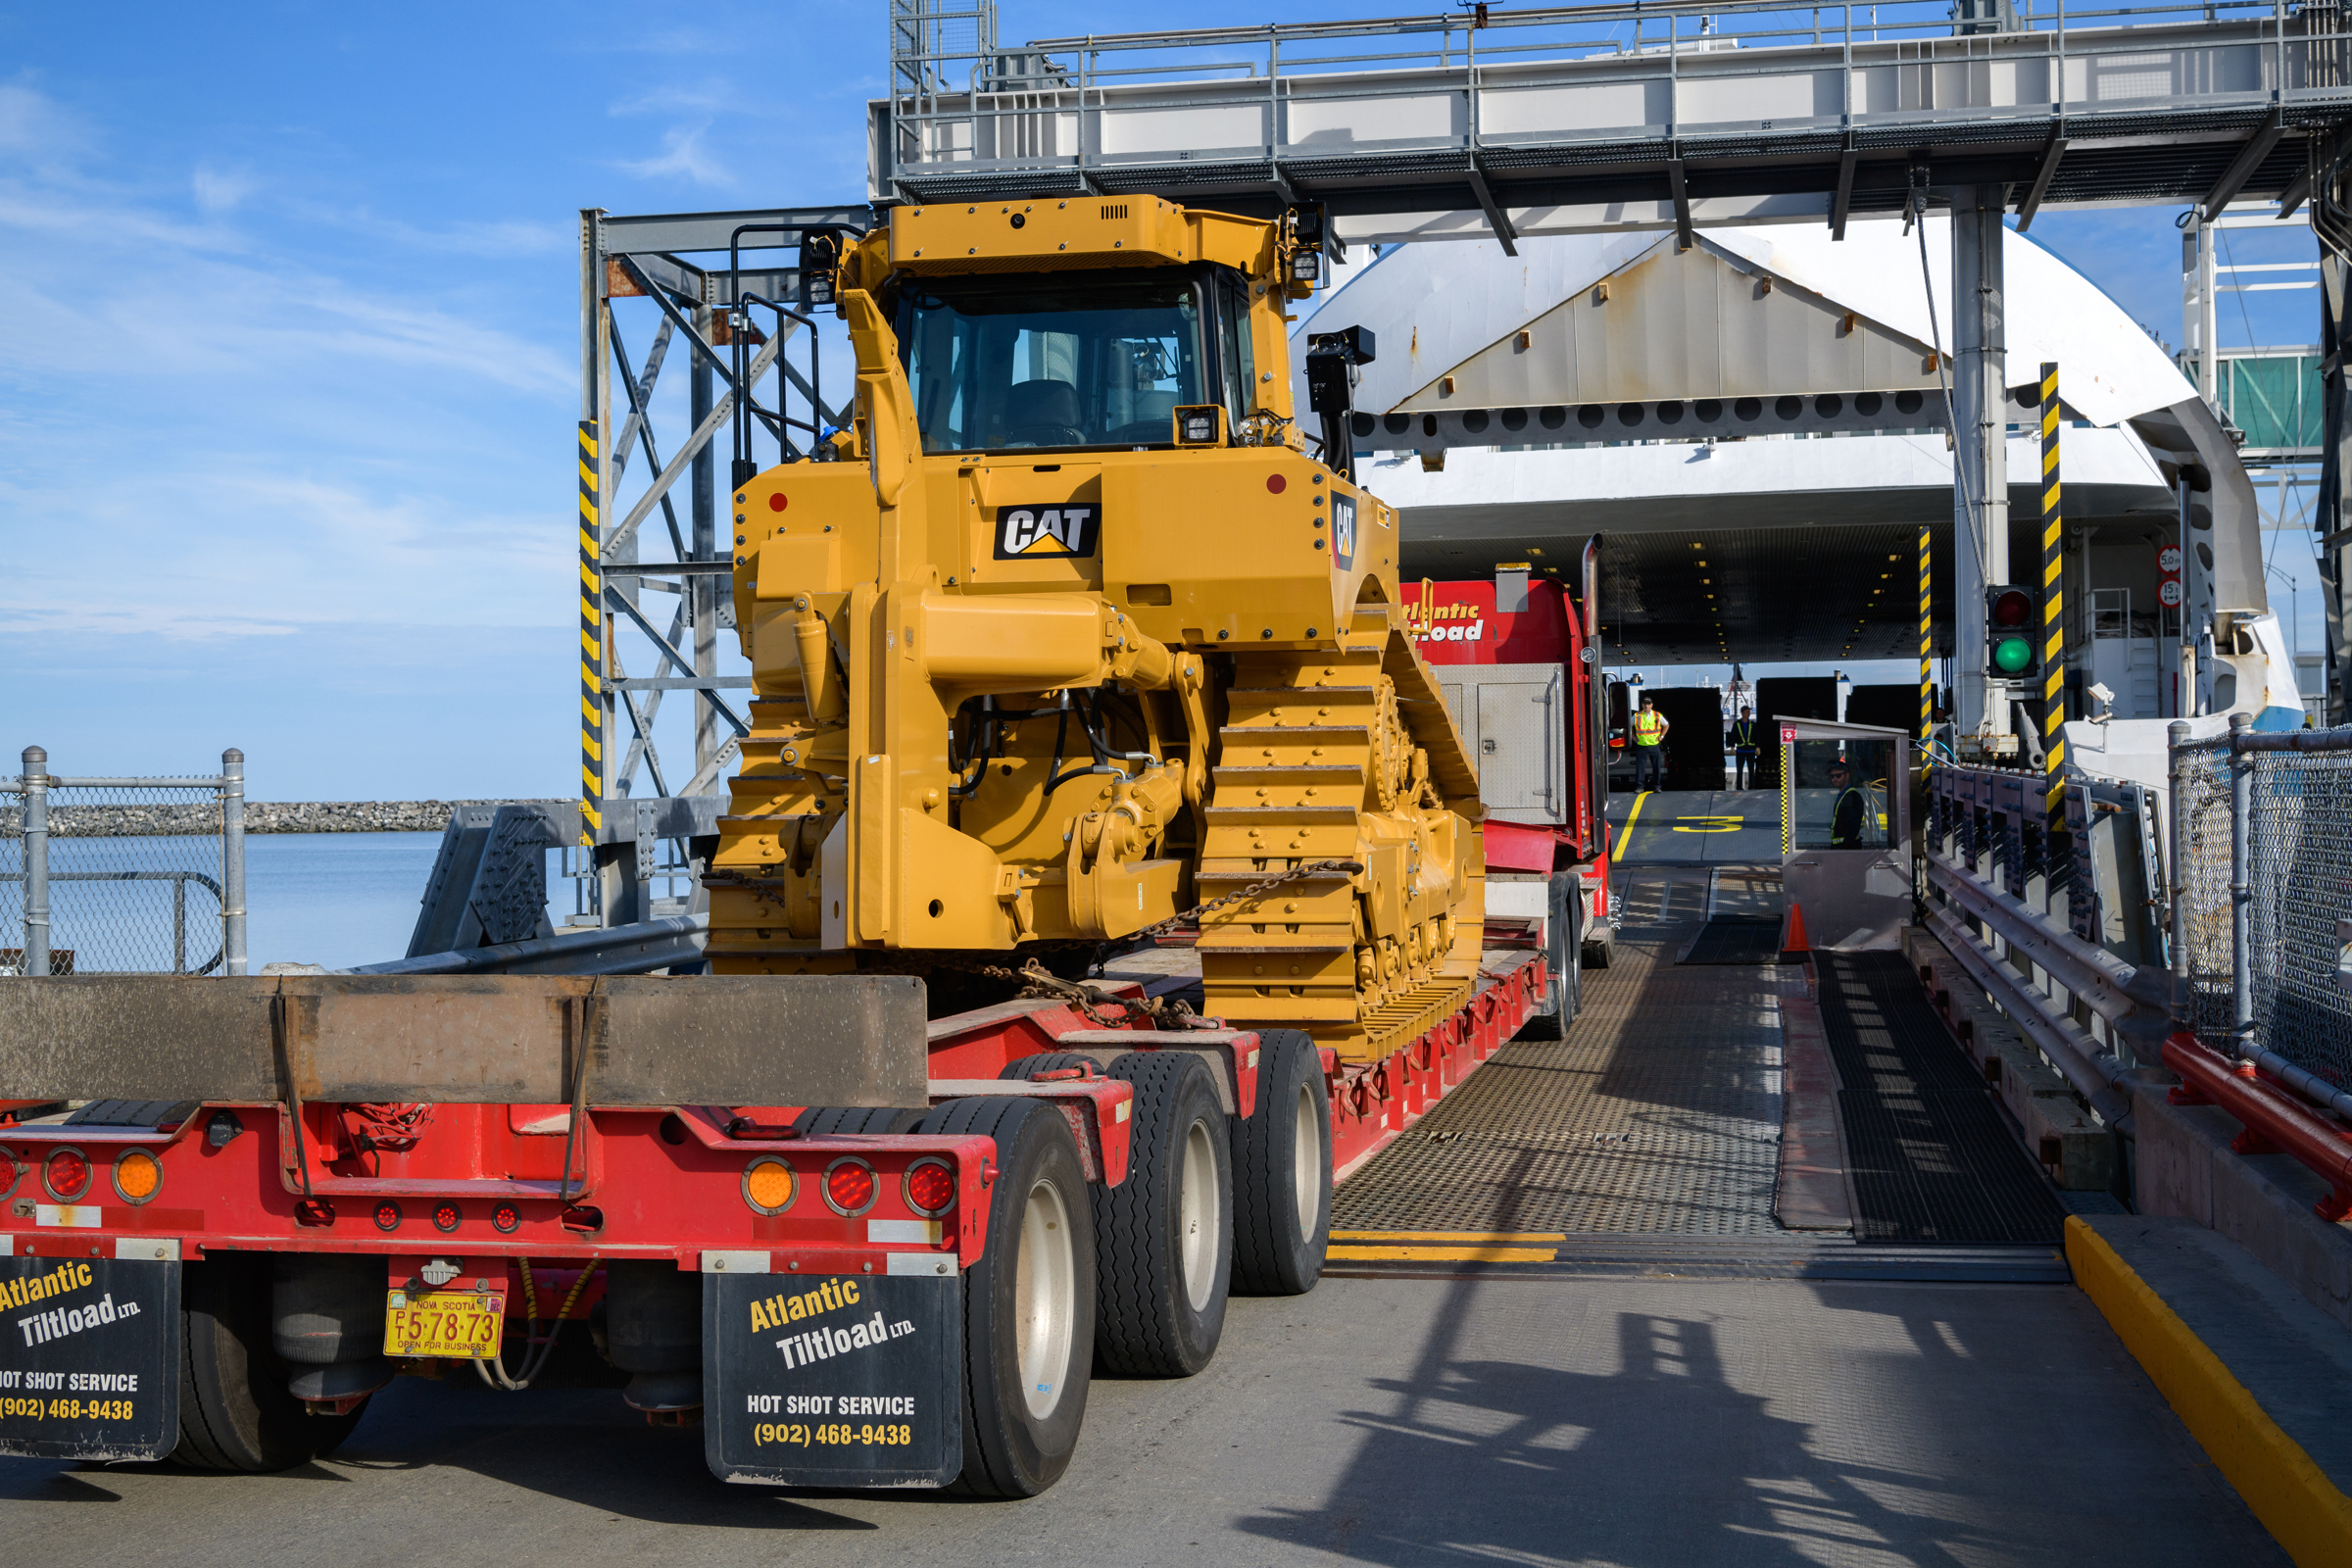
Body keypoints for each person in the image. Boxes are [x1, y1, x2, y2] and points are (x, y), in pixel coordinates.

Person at [1827, 760, 1870, 849]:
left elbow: (1853, 826)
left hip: (1847, 847)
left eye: (1838, 776)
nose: (1834, 779)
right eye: (1832, 776)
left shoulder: (1852, 796)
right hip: (1841, 846)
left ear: (1847, 775)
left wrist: (1845, 848)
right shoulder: (1842, 796)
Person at [1631, 696, 1669, 794]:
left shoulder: (1657, 715)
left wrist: (1662, 736)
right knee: (1640, 767)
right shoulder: (1637, 716)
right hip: (1642, 745)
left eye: (1648, 704)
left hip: (1654, 744)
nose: (1646, 706)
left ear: (1651, 705)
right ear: (1642, 705)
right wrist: (1633, 736)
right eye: (1645, 704)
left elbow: (1666, 725)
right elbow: (1629, 725)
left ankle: (1657, 786)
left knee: (1656, 766)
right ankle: (1640, 787)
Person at [1729, 706, 1758, 790]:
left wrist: (1758, 747)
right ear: (1742, 713)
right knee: (1740, 771)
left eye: (1749, 712)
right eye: (1746, 712)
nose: (1748, 713)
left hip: (1751, 751)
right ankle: (1739, 787)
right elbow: (1733, 736)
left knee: (1751, 770)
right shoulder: (1736, 724)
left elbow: (1757, 736)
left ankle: (1752, 786)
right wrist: (1732, 747)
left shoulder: (1753, 724)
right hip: (1740, 751)